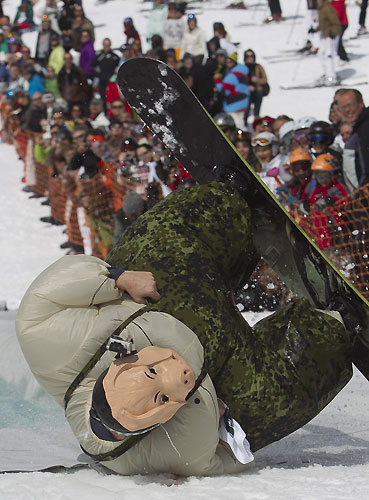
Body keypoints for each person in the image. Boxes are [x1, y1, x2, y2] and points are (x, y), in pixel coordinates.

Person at [16, 180, 353, 476]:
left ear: (115, 364)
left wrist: (118, 277)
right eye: (162, 399)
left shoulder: (54, 347)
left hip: (162, 294)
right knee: (278, 401)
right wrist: (225, 424)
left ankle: (234, 201)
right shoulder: (161, 452)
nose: (176, 378)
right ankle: (335, 321)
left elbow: (43, 297)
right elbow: (226, 460)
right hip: (217, 363)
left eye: (150, 373)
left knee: (163, 234)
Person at [335, 88, 369, 191]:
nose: (347, 110)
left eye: (350, 105)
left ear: (361, 103)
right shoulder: (358, 127)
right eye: (342, 108)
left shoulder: (366, 125)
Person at [215, 52, 250, 131]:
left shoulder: (232, 76)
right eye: (226, 62)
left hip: (232, 104)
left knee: (235, 127)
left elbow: (225, 91)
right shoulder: (242, 73)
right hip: (242, 103)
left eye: (230, 62)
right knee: (241, 124)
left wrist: (217, 80)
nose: (228, 64)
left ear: (234, 62)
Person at [312, 0, 342, 86]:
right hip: (326, 34)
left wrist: (334, 31)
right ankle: (327, 73)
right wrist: (315, 30)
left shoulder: (328, 8)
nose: (318, 1)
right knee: (321, 54)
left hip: (332, 35)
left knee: (329, 55)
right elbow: (323, 23)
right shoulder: (321, 9)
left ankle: (332, 76)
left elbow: (335, 21)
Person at [243, 49, 268, 123]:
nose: (249, 58)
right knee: (246, 110)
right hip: (247, 93)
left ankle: (256, 122)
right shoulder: (243, 68)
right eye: (247, 56)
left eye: (251, 56)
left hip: (257, 92)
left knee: (256, 111)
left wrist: (256, 80)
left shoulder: (258, 67)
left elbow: (264, 79)